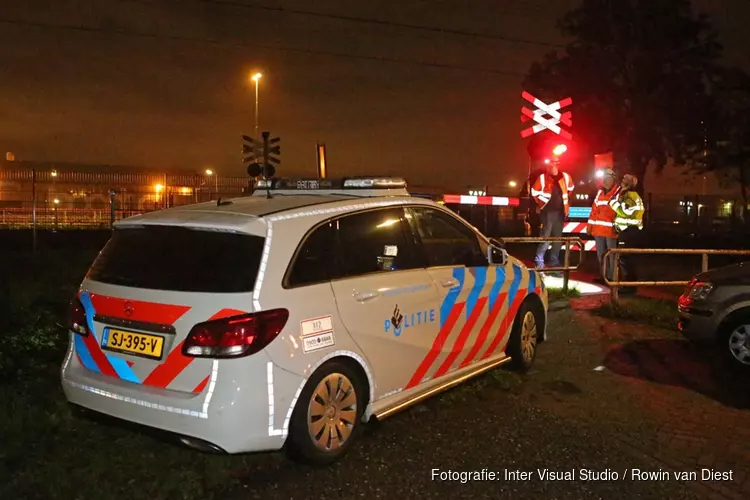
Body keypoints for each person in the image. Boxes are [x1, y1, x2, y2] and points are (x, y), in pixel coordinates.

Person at [530, 161, 574, 270]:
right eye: (550, 166)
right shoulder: (543, 178)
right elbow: (534, 192)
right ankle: (539, 261)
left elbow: (570, 190)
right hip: (547, 212)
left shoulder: (566, 177)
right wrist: (540, 204)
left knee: (557, 239)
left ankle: (554, 261)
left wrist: (565, 206)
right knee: (546, 237)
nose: (551, 167)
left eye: (553, 165)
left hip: (560, 212)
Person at [609, 173, 645, 294]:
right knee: (628, 259)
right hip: (631, 231)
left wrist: (613, 203)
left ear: (628, 183)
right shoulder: (633, 195)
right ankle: (629, 286)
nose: (621, 181)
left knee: (626, 259)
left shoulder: (629, 195)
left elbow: (625, 211)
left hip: (628, 231)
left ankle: (628, 288)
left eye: (624, 180)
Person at [587, 168, 619, 283]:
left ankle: (612, 278)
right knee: (601, 255)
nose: (606, 181)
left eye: (609, 178)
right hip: (598, 230)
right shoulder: (600, 192)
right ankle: (603, 277)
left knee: (611, 256)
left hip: (610, 230)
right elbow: (594, 210)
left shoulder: (618, 193)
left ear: (613, 179)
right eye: (605, 178)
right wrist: (590, 226)